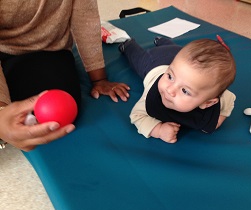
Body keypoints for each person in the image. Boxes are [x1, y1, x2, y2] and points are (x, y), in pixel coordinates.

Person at [0, 0, 130, 151]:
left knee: (53, 111)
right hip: (6, 48)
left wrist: (100, 79)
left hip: (49, 49)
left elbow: (86, 19)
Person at [119, 37, 236, 143]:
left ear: (208, 103)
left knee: (176, 50)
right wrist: (158, 130)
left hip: (178, 58)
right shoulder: (153, 97)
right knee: (139, 59)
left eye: (185, 91)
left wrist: (218, 119)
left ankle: (163, 42)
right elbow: (137, 115)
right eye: (169, 77)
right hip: (155, 62)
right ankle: (129, 45)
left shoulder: (218, 99)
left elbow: (230, 99)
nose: (170, 90)